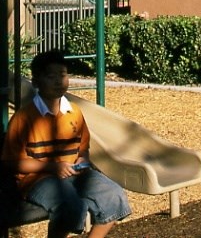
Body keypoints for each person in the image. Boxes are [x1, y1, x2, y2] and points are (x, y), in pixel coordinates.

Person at [1, 49, 131, 237]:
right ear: (36, 82)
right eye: (50, 76)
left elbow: (83, 147)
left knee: (114, 194)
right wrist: (53, 167)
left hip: (75, 174)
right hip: (37, 179)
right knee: (72, 207)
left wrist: (82, 158)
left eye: (62, 75)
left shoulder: (75, 112)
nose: (58, 81)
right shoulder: (24, 118)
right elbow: (12, 162)